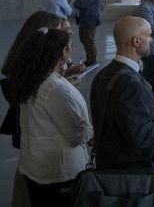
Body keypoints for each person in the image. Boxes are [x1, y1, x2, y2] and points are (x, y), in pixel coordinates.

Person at [9, 28, 92, 206]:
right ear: (64, 52)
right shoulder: (56, 89)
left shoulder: (34, 77)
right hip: (58, 173)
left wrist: (65, 78)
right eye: (70, 46)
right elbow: (77, 135)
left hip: (36, 166)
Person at [90, 17, 154, 168]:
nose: (151, 40)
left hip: (109, 161)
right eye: (148, 35)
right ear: (136, 41)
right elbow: (142, 137)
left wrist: (150, 103)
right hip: (128, 171)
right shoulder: (130, 83)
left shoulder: (103, 73)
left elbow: (116, 112)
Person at [1, 12, 64, 207]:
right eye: (61, 33)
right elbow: (34, 94)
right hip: (34, 134)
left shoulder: (23, 57)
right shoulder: (30, 67)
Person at [73, 0, 101, 66]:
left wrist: (78, 3)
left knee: (89, 41)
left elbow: (82, 5)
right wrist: (78, 3)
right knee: (83, 39)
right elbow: (76, 2)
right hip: (83, 20)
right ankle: (89, 58)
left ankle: (92, 61)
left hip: (89, 21)